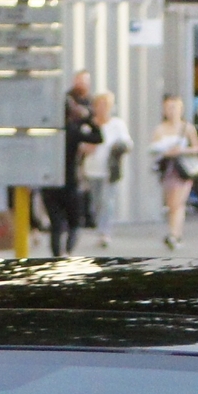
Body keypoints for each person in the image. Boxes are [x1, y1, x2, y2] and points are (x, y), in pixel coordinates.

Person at [43, 71, 96, 256]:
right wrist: (87, 118)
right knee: (75, 222)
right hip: (70, 181)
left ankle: (56, 256)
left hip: (49, 182)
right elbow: (98, 137)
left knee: (56, 224)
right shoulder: (73, 131)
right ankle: (68, 251)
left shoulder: (47, 132)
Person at [151, 93, 198, 249]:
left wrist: (181, 150)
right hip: (168, 170)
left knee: (178, 203)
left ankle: (174, 234)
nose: (171, 111)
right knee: (171, 203)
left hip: (183, 170)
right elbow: (153, 148)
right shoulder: (160, 129)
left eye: (174, 107)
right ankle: (175, 234)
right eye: (168, 107)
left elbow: (197, 148)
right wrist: (167, 152)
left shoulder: (187, 128)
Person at [82, 90, 132, 248]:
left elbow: (127, 144)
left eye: (106, 105)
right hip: (91, 168)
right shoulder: (88, 125)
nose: (102, 108)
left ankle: (105, 232)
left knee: (107, 200)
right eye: (99, 105)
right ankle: (100, 227)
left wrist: (118, 148)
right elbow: (79, 144)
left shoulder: (117, 124)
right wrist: (85, 147)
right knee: (96, 202)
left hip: (110, 169)